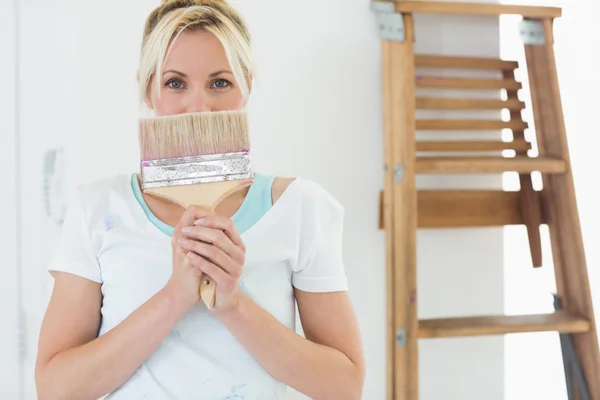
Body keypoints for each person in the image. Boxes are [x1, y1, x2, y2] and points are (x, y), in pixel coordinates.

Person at [34, 0, 365, 399]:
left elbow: (343, 387)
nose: (199, 105)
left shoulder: (300, 208)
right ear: (148, 90)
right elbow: (56, 390)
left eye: (220, 82)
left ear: (246, 86)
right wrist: (175, 296)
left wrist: (233, 305)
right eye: (175, 83)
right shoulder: (97, 210)